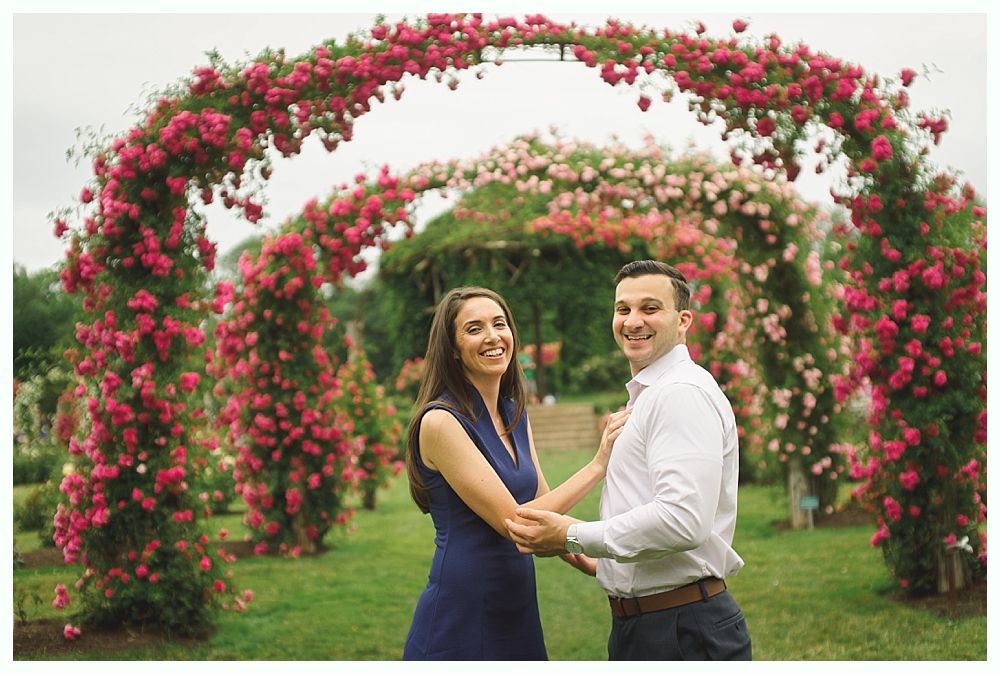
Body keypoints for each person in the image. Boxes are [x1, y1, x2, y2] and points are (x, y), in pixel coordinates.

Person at [505, 260, 752, 661]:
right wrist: (609, 566)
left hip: (680, 631)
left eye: (650, 308)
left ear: (683, 319)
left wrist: (573, 534)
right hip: (647, 624)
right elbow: (645, 500)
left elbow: (683, 521)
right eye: (623, 309)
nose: (633, 321)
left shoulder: (680, 393)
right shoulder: (650, 393)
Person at [402, 286, 631, 660]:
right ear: (453, 349)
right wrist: (598, 464)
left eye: (499, 324)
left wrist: (594, 561)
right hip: (463, 608)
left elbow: (544, 507)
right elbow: (517, 522)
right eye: (474, 329)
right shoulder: (441, 421)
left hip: (517, 603)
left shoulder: (514, 414)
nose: (493, 336)